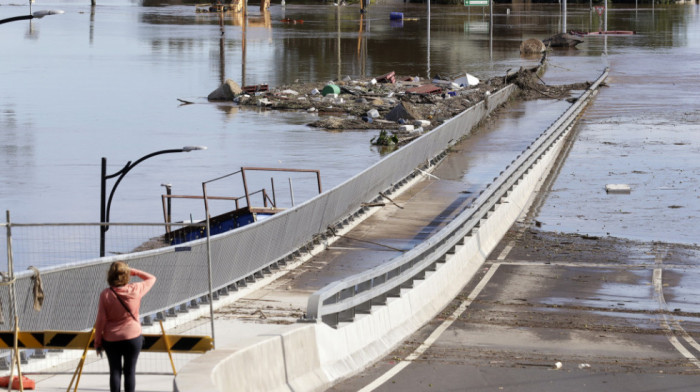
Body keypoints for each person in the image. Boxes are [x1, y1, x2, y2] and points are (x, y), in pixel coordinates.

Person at [94, 261, 156, 392]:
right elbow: (152, 278)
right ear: (126, 275)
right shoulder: (136, 289)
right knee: (129, 371)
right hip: (133, 337)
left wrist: (98, 342)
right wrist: (133, 271)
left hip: (111, 339)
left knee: (115, 371)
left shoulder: (105, 294)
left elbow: (100, 320)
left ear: (110, 276)